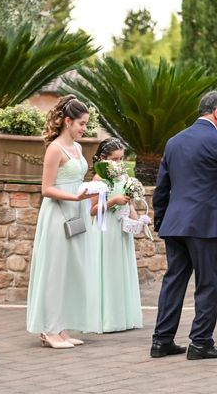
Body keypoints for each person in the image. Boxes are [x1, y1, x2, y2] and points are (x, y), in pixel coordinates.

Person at [150, 91, 217, 360]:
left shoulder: (174, 141)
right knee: (208, 283)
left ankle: (161, 341)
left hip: (175, 224)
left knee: (173, 282)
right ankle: (201, 342)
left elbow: (162, 188)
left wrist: (162, 221)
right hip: (205, 224)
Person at [26, 95, 98, 348]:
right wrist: (74, 195)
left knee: (70, 270)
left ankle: (62, 327)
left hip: (75, 212)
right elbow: (46, 189)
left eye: (86, 124)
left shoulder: (77, 149)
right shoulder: (54, 149)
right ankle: (49, 329)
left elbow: (79, 179)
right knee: (55, 271)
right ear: (67, 121)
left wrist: (91, 189)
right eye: (81, 123)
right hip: (57, 214)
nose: (84, 129)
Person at [89, 138, 143, 332]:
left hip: (122, 229)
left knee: (122, 269)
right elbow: (93, 210)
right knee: (108, 270)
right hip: (106, 230)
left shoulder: (123, 177)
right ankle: (107, 319)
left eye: (121, 159)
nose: (119, 163)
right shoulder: (98, 179)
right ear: (103, 158)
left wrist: (137, 219)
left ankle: (124, 316)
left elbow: (128, 203)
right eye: (115, 159)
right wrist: (113, 201)